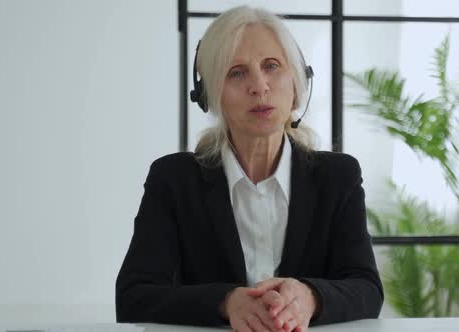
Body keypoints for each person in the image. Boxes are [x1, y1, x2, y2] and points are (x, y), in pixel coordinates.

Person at [115, 5, 383, 332]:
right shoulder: (173, 179)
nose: (259, 86)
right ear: (210, 95)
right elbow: (133, 297)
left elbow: (367, 289)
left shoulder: (337, 176)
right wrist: (225, 302)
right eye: (236, 72)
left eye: (272, 66)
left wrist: (311, 296)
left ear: (298, 84)